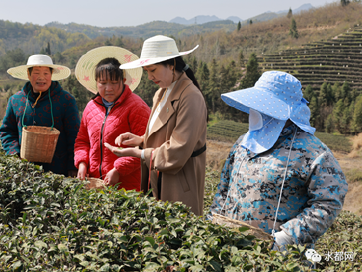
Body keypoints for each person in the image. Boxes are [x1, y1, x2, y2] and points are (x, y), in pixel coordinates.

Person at [208, 71, 348, 250]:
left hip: (280, 258)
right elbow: (224, 188)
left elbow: (329, 201)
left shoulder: (313, 152)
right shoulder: (244, 142)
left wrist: (288, 235)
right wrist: (213, 221)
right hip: (232, 249)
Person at [104, 35, 208, 216]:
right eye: (146, 71)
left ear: (172, 64)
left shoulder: (190, 96)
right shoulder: (162, 92)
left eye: (153, 70)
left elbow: (178, 148)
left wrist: (139, 153)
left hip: (180, 180)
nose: (149, 76)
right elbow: (166, 132)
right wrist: (141, 139)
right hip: (159, 176)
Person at [74, 46, 150, 191]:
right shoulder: (91, 107)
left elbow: (146, 146)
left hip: (128, 186)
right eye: (103, 83)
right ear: (96, 82)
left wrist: (118, 169)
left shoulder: (136, 106)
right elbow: (82, 141)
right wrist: (82, 164)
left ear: (124, 80)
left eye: (114, 83)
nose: (108, 88)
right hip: (94, 183)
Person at [0, 54, 80, 176]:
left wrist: (73, 166)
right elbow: (7, 131)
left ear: (51, 75)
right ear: (28, 74)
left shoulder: (66, 100)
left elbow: (74, 135)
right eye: (36, 73)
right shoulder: (16, 100)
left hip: (58, 173)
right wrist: (14, 155)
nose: (41, 78)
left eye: (46, 73)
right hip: (25, 171)